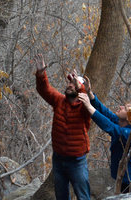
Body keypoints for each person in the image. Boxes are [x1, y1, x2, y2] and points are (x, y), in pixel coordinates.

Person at [35, 54, 91, 200]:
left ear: (79, 89)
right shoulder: (59, 100)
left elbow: (86, 100)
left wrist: (80, 86)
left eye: (73, 84)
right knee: (61, 196)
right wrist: (41, 73)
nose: (69, 85)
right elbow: (45, 90)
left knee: (83, 196)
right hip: (58, 159)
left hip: (77, 161)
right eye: (69, 83)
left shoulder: (84, 108)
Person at [78, 76, 131, 194]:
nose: (120, 107)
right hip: (122, 178)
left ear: (130, 117)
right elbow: (106, 113)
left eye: (124, 108)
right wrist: (90, 93)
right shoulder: (121, 123)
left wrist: (88, 107)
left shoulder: (130, 134)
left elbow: (108, 126)